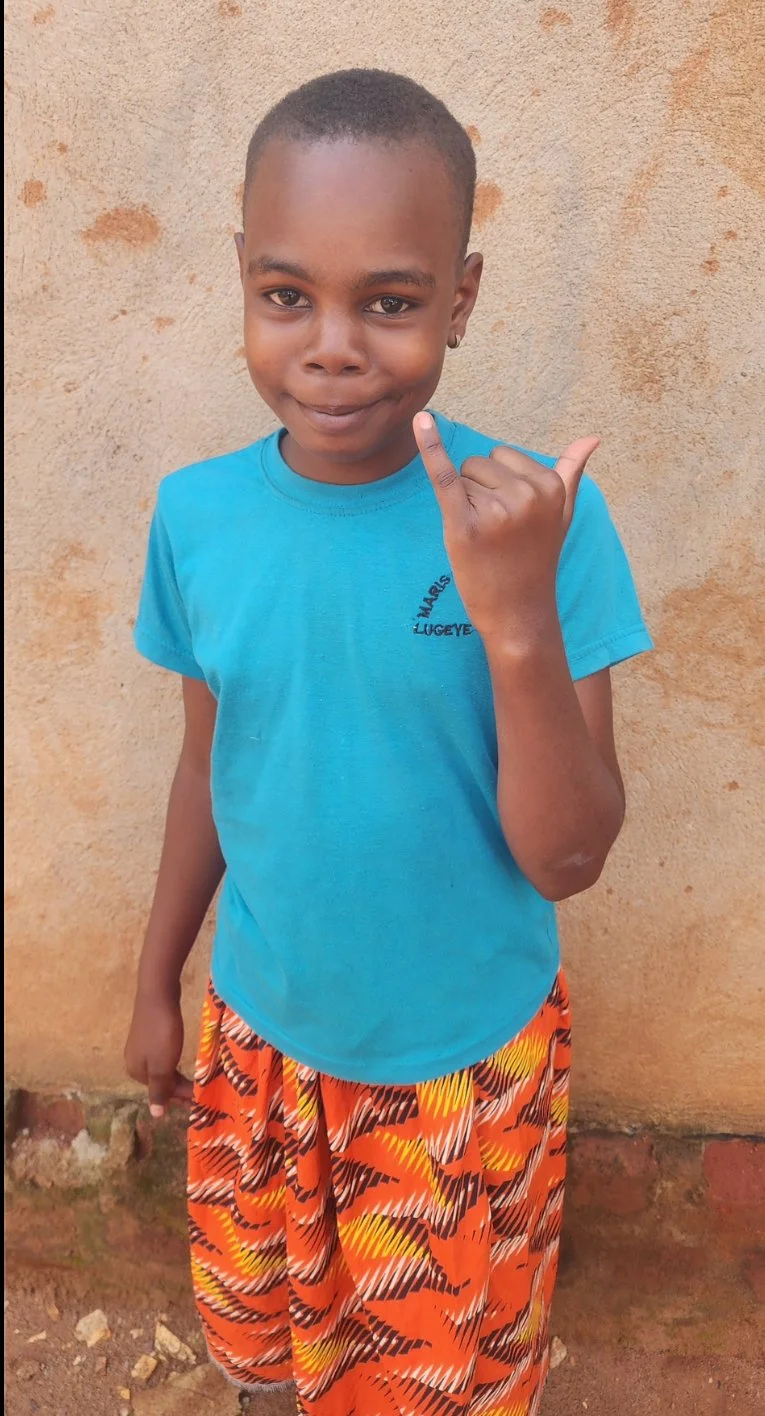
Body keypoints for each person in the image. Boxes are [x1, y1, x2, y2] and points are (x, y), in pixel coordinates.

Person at [125, 68, 652, 1416]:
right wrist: (156, 977)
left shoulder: (537, 524)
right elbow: (208, 766)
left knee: (433, 1387)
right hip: (263, 1042)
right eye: (287, 295)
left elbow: (569, 857)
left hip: (457, 1073)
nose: (333, 347)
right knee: (274, 1354)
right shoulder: (196, 519)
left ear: (460, 300)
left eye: (392, 302)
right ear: (243, 278)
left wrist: (514, 618)